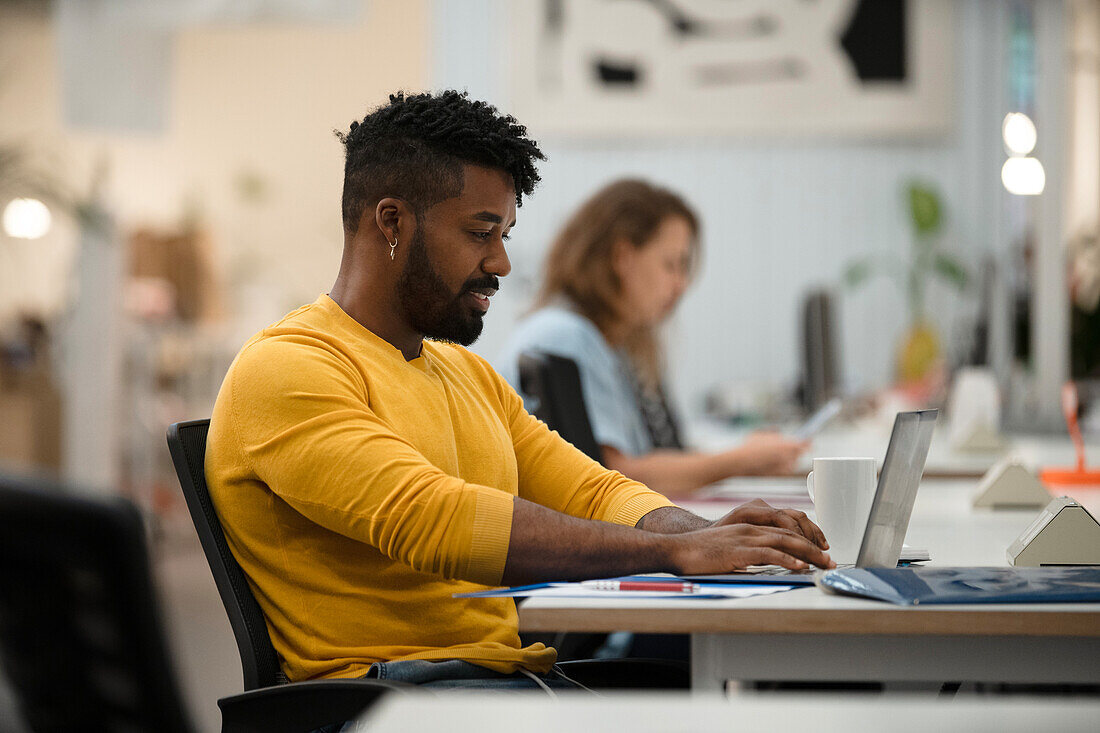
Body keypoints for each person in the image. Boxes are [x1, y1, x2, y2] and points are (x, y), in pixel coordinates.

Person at [205, 91, 832, 693]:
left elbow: (594, 490)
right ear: (391, 221)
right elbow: (437, 522)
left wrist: (715, 538)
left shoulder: (465, 374)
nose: (502, 261)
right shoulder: (289, 368)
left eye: (504, 233)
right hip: (384, 701)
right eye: (481, 232)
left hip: (503, 681)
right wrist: (674, 550)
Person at [497, 179, 808, 497]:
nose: (682, 284)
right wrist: (740, 461)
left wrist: (743, 458)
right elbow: (614, 475)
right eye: (671, 265)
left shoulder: (602, 341)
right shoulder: (565, 336)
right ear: (623, 258)